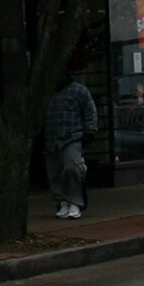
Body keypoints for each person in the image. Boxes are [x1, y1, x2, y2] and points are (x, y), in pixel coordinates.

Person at [44, 60, 98, 220]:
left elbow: (90, 112)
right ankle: (61, 202)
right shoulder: (47, 93)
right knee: (54, 173)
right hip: (51, 137)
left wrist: (89, 132)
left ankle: (75, 201)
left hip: (72, 136)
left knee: (72, 167)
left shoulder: (79, 91)